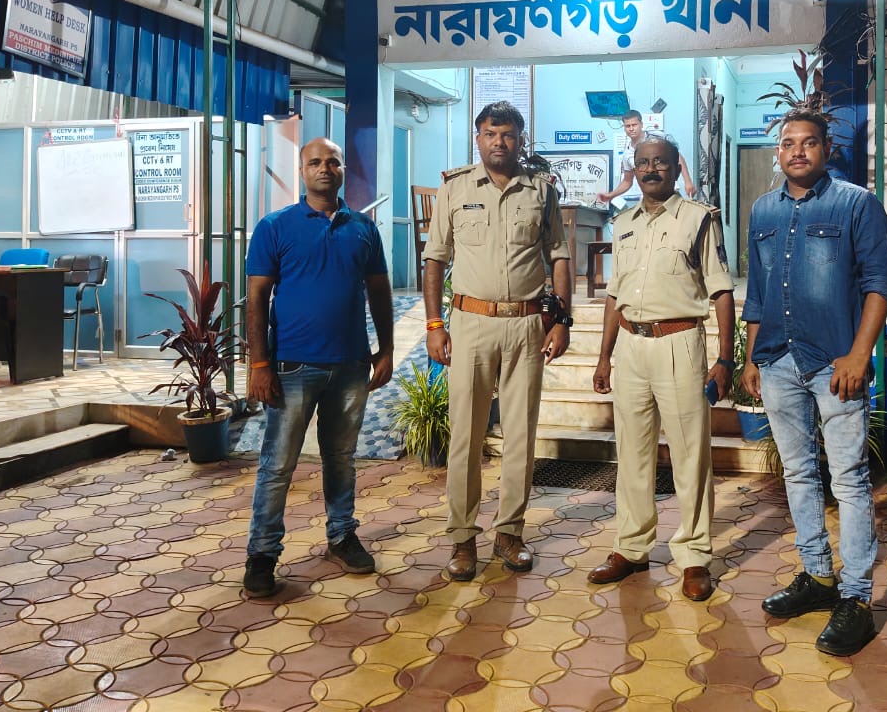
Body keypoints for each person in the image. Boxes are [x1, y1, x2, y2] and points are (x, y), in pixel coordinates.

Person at [739, 110, 887, 656]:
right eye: (788, 143)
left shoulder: (857, 205)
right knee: (799, 473)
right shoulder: (762, 210)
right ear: (777, 153)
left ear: (827, 149)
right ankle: (817, 575)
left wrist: (858, 354)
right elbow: (758, 293)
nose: (797, 151)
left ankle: (856, 598)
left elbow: (879, 285)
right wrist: (752, 358)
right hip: (777, 359)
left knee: (848, 478)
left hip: (835, 364)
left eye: (808, 143)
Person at [423, 101, 573, 582]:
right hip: (470, 323)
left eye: (507, 134)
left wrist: (562, 320)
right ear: (478, 138)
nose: (499, 142)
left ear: (520, 139)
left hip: (527, 326)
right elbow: (434, 259)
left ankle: (509, 533)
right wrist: (434, 324)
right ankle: (462, 537)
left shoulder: (541, 190)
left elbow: (559, 256)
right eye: (490, 134)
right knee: (465, 435)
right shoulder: (454, 188)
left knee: (520, 435)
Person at [243, 137, 395, 598]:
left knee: (341, 458)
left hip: (350, 365)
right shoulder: (275, 227)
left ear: (343, 169)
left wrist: (386, 348)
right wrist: (259, 363)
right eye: (315, 162)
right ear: (302, 170)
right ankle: (262, 554)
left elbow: (379, 291)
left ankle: (342, 535)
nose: (325, 168)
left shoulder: (363, 229)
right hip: (291, 367)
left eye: (333, 162)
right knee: (277, 464)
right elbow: (256, 298)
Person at [589, 136, 734, 601]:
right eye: (643, 163)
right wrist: (604, 355)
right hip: (631, 345)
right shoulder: (623, 223)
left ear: (675, 168)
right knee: (632, 453)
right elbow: (615, 294)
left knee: (690, 455)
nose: (651, 170)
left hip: (679, 343)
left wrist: (725, 357)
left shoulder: (698, 219)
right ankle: (631, 548)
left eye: (660, 163)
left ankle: (693, 556)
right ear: (635, 170)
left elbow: (721, 289)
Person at [596, 109, 697, 204]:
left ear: (641, 124)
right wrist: (611, 195)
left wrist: (688, 182)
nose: (631, 129)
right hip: (648, 195)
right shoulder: (627, 154)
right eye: (627, 126)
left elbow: (677, 157)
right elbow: (627, 181)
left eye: (634, 125)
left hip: (669, 192)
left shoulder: (658, 137)